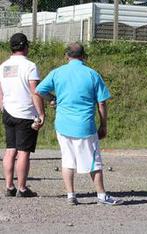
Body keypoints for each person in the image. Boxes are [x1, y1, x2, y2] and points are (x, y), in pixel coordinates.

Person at [35, 42, 123, 206]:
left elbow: (39, 90)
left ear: (66, 56)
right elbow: (102, 103)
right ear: (84, 56)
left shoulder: (57, 72)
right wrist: (103, 125)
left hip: (62, 125)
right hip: (85, 125)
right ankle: (102, 195)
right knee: (93, 161)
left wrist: (53, 99)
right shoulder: (92, 74)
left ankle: (71, 195)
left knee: (67, 160)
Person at [0, 33, 45, 197]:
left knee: (10, 150)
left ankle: (9, 186)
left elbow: (1, 91)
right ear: (25, 46)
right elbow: (35, 92)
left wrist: (3, 107)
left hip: (9, 111)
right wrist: (41, 113)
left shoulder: (3, 66)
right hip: (25, 113)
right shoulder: (30, 66)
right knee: (23, 152)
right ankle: (22, 188)